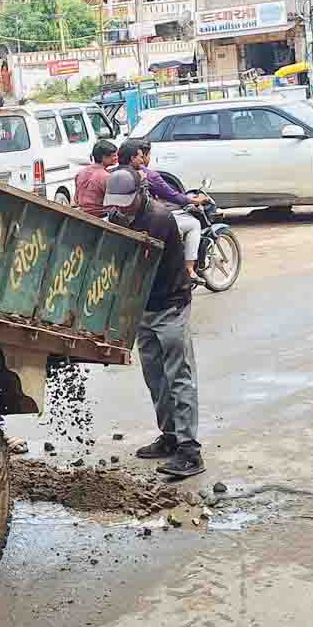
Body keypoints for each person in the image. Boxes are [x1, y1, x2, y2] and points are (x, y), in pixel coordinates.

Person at [102, 166, 202, 479]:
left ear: (140, 194)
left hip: (169, 305)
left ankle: (190, 450)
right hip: (143, 309)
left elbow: (133, 266)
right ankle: (170, 436)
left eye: (125, 202)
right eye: (115, 203)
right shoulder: (119, 216)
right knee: (155, 375)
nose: (119, 208)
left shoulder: (158, 219)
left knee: (178, 375)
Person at [119, 140, 209, 279]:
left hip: (124, 219)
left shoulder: (112, 173)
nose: (143, 159)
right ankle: (189, 269)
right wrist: (195, 200)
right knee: (193, 224)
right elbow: (172, 196)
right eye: (142, 156)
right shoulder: (145, 175)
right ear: (133, 158)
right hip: (144, 221)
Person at [74, 138, 117, 216]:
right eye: (113, 156)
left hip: (82, 215)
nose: (116, 158)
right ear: (104, 157)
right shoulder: (106, 177)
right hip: (101, 216)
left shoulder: (80, 173)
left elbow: (76, 199)